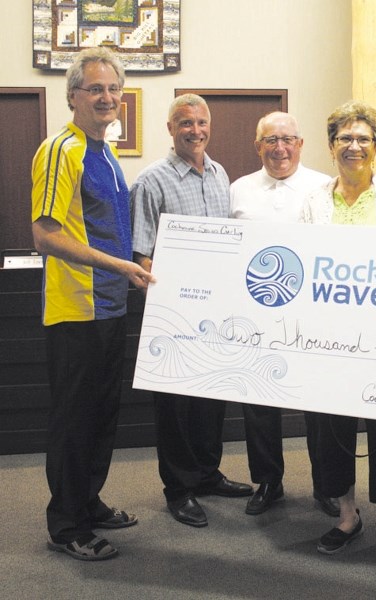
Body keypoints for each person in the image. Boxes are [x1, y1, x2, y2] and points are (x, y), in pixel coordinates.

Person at [31, 47, 154, 561]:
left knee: (103, 414)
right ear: (73, 96)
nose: (107, 98)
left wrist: (128, 267)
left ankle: (89, 501)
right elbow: (44, 234)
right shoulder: (62, 149)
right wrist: (120, 265)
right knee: (74, 418)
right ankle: (67, 524)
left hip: (110, 306)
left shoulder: (105, 150)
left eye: (113, 90)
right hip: (76, 309)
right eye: (96, 89)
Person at [301, 100, 376, 559]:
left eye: (363, 138)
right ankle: (347, 515)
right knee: (332, 428)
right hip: (329, 337)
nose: (354, 146)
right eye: (344, 138)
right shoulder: (313, 200)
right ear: (332, 147)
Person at [131, 93, 253, 528]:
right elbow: (140, 254)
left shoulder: (220, 174)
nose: (195, 130)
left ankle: (206, 474)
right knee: (177, 407)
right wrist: (166, 306)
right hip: (173, 316)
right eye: (186, 123)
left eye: (202, 122)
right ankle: (179, 489)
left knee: (210, 399)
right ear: (170, 129)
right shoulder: (152, 181)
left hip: (216, 312)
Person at [229, 111, 338, 517]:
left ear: (301, 143)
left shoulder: (323, 188)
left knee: (319, 404)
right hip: (255, 314)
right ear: (258, 146)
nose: (280, 148)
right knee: (258, 403)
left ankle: (327, 486)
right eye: (270, 140)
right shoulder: (238, 190)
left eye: (288, 139)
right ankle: (268, 481)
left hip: (311, 315)